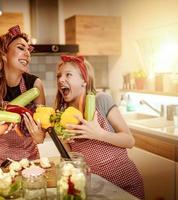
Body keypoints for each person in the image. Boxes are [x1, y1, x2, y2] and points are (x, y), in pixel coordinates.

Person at [55, 55, 145, 199]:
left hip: (126, 184)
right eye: (59, 75)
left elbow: (129, 140)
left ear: (84, 80)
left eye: (68, 75)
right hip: (96, 189)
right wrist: (61, 139)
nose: (60, 79)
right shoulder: (63, 114)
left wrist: (99, 134)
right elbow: (70, 159)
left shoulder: (101, 100)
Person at [0, 25, 46, 165]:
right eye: (21, 48)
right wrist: (1, 120)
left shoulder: (35, 85)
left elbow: (42, 132)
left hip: (29, 159)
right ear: (3, 55)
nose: (27, 53)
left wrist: (39, 135)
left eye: (28, 50)